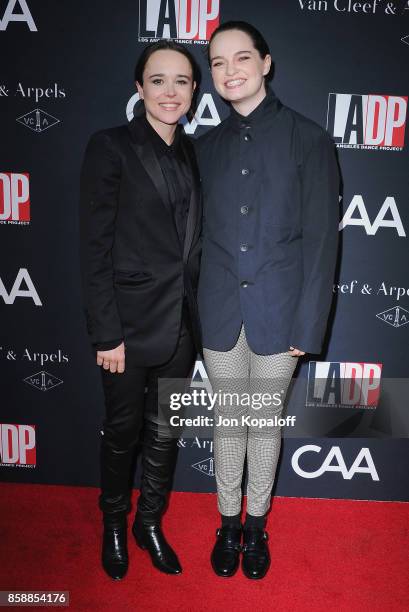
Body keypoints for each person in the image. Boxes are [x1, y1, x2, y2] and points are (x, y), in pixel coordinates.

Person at [195, 21, 339, 580]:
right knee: (229, 420)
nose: (229, 71)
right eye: (218, 63)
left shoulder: (308, 138)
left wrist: (310, 325)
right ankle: (226, 525)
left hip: (283, 315)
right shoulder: (204, 147)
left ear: (266, 63)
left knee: (263, 423)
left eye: (241, 59)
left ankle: (257, 527)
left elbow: (324, 240)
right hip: (220, 313)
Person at [79, 41, 202, 580]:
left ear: (194, 91)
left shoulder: (195, 151)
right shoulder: (110, 147)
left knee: (165, 431)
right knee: (123, 430)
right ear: (139, 88)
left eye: (181, 81)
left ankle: (148, 522)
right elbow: (93, 248)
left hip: (181, 326)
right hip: (126, 329)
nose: (170, 92)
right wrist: (106, 334)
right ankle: (113, 522)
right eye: (158, 80)